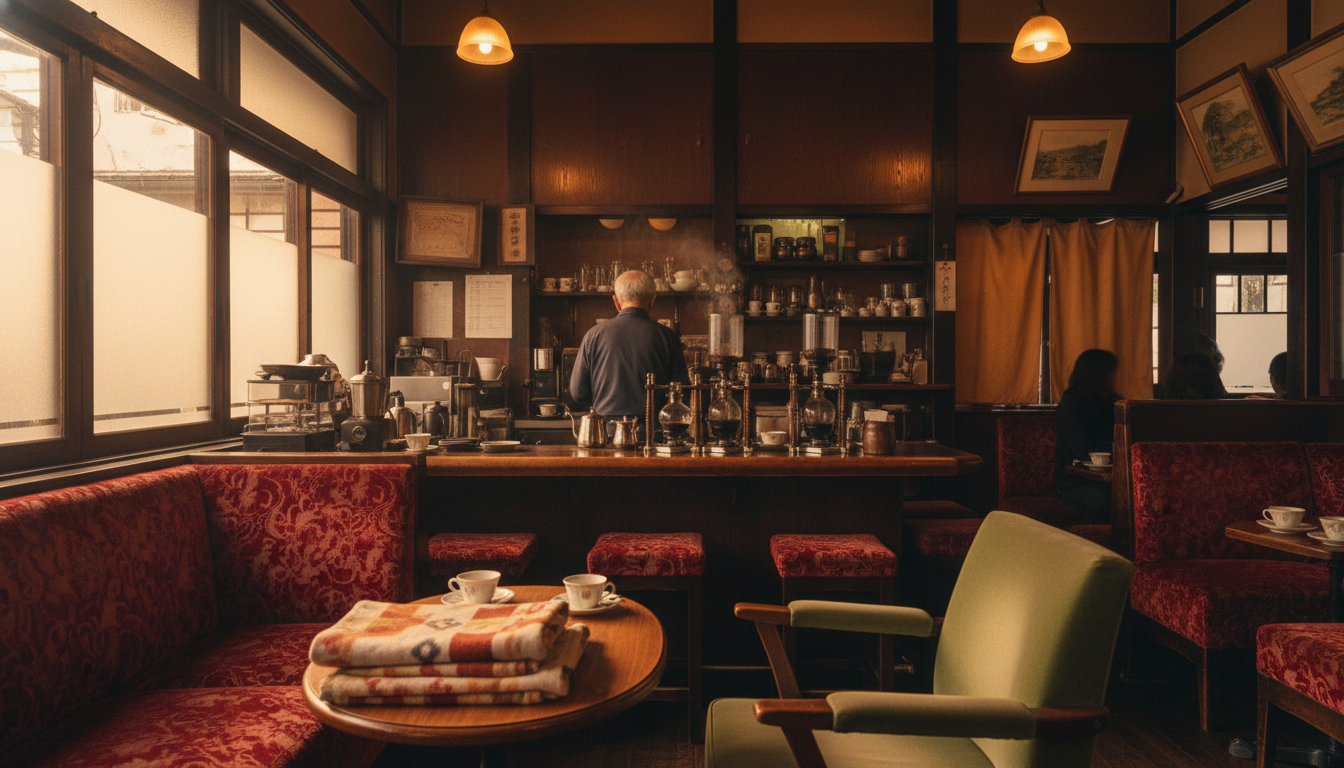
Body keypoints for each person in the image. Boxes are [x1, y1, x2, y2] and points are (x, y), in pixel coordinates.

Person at [569, 270, 689, 432]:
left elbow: (578, 393)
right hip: (653, 432)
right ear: (652, 300)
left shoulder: (594, 335)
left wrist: (605, 400)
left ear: (616, 301)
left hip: (605, 431)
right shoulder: (667, 336)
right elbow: (681, 391)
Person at [1056, 349, 1121, 525]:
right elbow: (1084, 448)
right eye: (1112, 374)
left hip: (1107, 479)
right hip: (1075, 483)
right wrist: (1120, 447)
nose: (1115, 379)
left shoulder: (1113, 402)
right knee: (1105, 497)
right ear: (1098, 375)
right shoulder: (1071, 405)